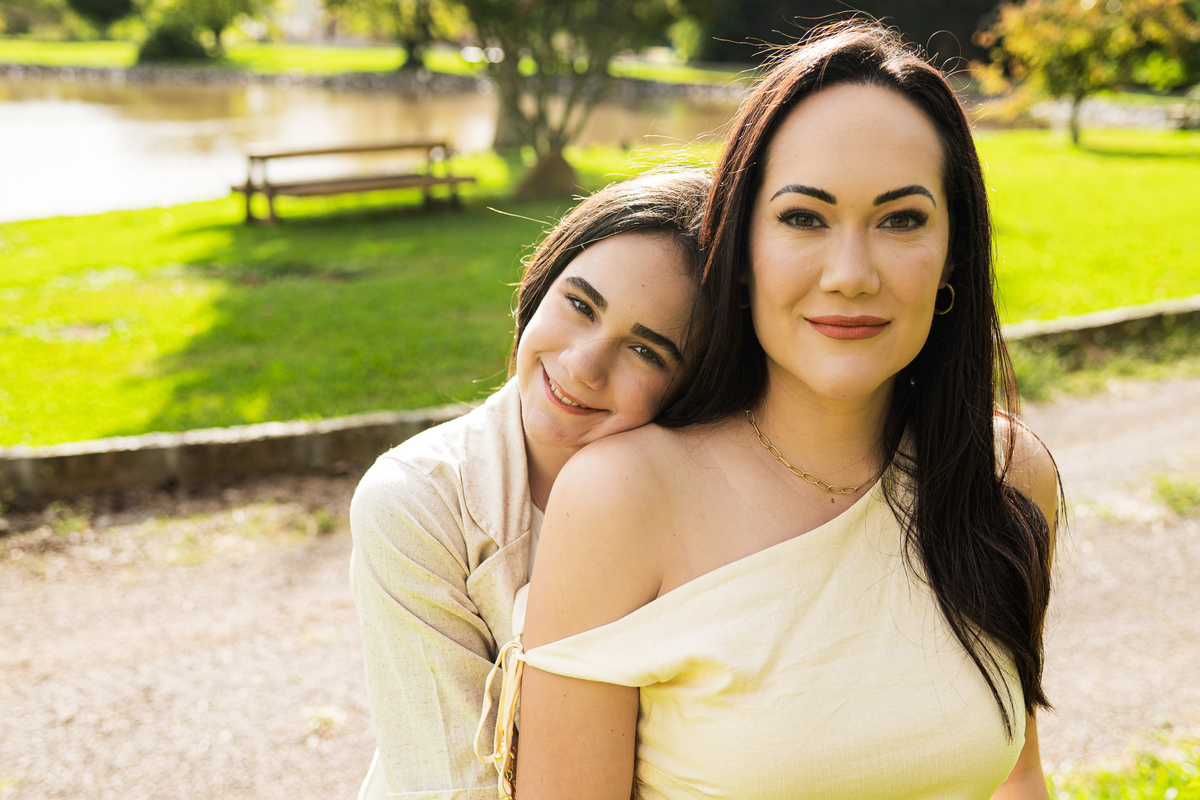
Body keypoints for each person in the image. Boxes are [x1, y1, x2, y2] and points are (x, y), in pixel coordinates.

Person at [507, 22, 1059, 800]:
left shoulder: (1006, 477)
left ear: (952, 259)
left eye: (902, 219)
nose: (851, 274)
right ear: (740, 248)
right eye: (804, 217)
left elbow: (1020, 778)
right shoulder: (622, 499)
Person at [349, 169, 711, 800]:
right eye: (580, 305)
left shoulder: (720, 498)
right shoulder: (417, 503)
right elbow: (452, 784)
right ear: (539, 286)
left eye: (647, 351)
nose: (581, 366)